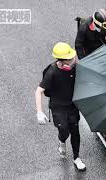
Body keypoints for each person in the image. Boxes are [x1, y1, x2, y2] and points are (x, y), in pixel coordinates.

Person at [35, 42, 86, 171]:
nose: (74, 59)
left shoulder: (75, 67)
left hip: (72, 105)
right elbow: (39, 91)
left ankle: (76, 157)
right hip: (58, 107)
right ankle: (61, 141)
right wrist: (39, 112)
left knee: (75, 131)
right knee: (64, 130)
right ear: (62, 61)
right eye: (70, 58)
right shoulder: (52, 72)